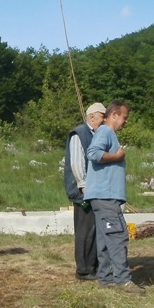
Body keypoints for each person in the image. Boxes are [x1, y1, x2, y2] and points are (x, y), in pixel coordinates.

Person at [85, 100, 144, 295]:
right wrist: (117, 157)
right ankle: (123, 280)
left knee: (105, 239)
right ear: (114, 115)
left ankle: (106, 278)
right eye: (124, 118)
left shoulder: (106, 133)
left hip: (102, 196)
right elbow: (93, 153)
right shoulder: (106, 132)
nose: (125, 122)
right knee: (118, 236)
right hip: (105, 196)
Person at [64, 103, 106, 281]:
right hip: (84, 191)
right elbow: (77, 162)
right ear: (92, 117)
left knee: (95, 230)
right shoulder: (79, 134)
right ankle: (84, 270)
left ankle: (93, 266)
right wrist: (83, 185)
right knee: (85, 230)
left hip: (94, 189)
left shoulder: (97, 134)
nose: (104, 120)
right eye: (102, 117)